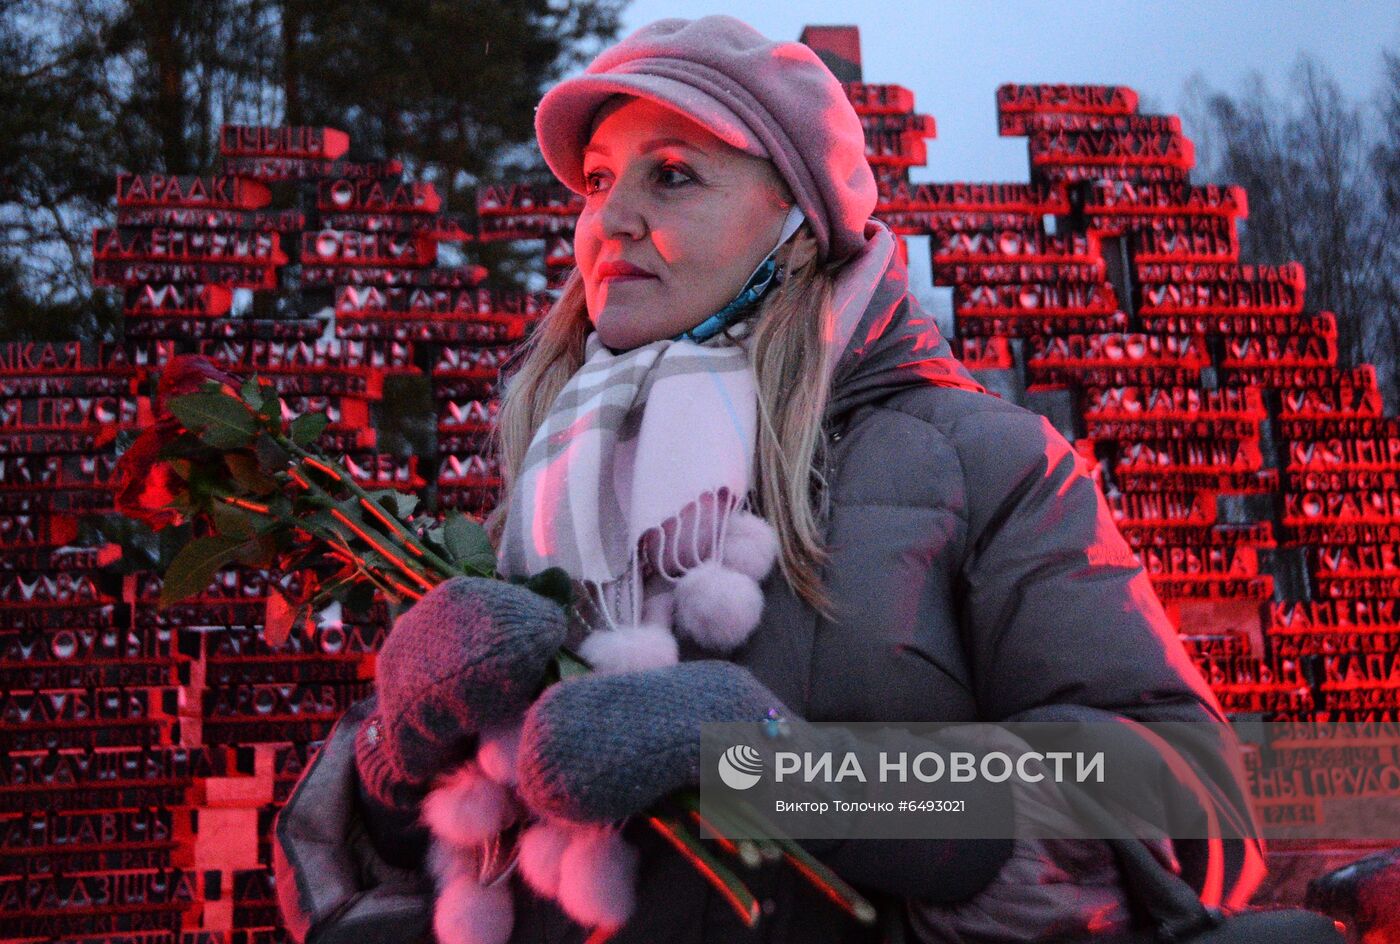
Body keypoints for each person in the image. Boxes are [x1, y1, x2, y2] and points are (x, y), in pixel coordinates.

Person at [274, 15, 1267, 944]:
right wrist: (393, 774)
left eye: (670, 175)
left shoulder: (978, 460)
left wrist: (784, 776)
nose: (606, 222)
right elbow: (391, 874)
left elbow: (1183, 801)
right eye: (595, 180)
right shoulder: (541, 499)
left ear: (795, 221)